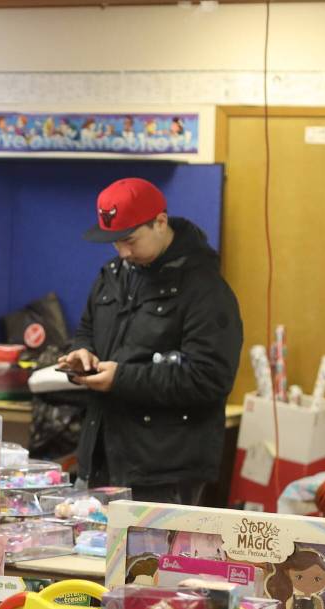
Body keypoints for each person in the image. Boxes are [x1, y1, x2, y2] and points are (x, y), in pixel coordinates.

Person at [58, 177, 242, 504]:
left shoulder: (204, 288)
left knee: (154, 558)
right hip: (101, 454)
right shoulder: (113, 275)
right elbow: (87, 329)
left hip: (164, 468)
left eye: (130, 240)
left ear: (160, 222)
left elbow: (210, 377)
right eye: (115, 243)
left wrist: (122, 378)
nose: (123, 253)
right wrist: (81, 353)